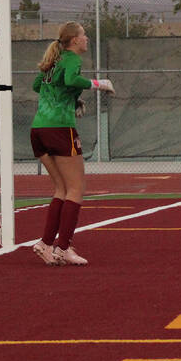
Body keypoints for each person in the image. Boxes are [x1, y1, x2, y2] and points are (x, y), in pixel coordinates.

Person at [29, 22, 114, 266]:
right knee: (76, 189)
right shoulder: (71, 59)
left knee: (61, 190)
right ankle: (63, 247)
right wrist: (99, 84)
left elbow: (38, 85)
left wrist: (72, 99)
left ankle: (46, 244)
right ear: (74, 40)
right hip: (59, 128)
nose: (86, 39)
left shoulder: (52, 61)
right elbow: (70, 78)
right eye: (84, 35)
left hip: (38, 129)